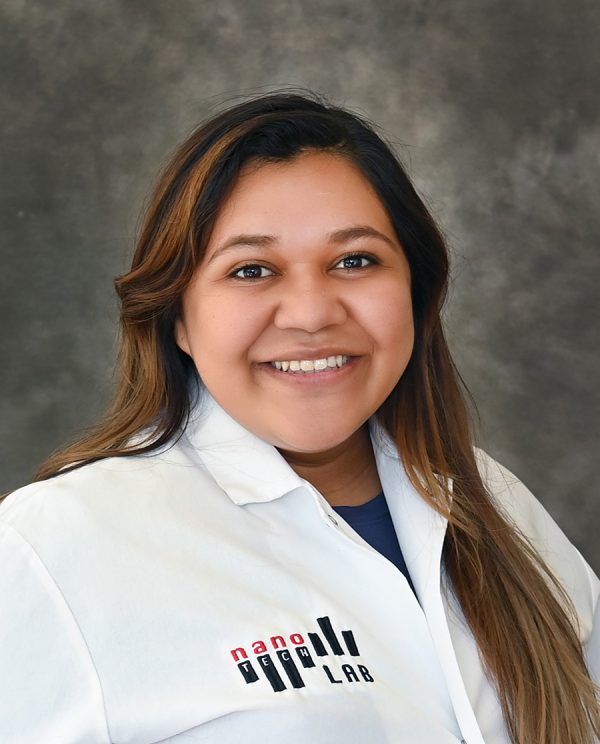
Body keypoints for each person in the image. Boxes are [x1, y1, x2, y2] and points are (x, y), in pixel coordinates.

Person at [0, 92, 598, 744]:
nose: (312, 313)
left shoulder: (501, 505)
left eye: (354, 261)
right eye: (251, 270)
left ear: (415, 293)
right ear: (177, 319)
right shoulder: (54, 547)